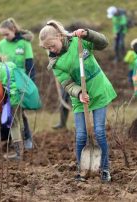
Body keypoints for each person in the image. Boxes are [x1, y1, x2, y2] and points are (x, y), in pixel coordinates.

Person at [39, 20, 117, 182]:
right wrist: (79, 92)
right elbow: (67, 83)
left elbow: (103, 43)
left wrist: (88, 33)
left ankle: (104, 170)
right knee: (81, 136)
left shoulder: (79, 42)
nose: (51, 50)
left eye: (52, 45)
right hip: (79, 99)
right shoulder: (56, 62)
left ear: (60, 36)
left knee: (100, 132)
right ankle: (82, 170)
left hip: (99, 91)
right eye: (48, 48)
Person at [0, 18, 35, 149]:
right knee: (9, 113)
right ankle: (14, 141)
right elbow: (1, 65)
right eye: (2, 35)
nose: (5, 37)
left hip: (21, 82)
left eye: (6, 34)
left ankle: (27, 138)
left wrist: (31, 85)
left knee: (22, 113)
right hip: (6, 82)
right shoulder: (1, 44)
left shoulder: (24, 43)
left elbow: (30, 64)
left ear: (13, 30)